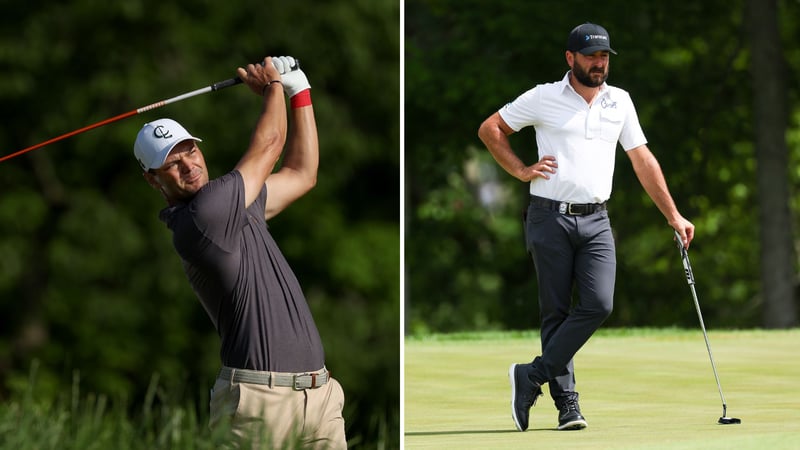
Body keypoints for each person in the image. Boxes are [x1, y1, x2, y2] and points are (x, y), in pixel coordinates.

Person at [478, 23, 695, 432]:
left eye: (605, 57)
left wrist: (674, 214)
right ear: (570, 58)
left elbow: (642, 160)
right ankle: (568, 406)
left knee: (600, 303)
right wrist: (522, 170)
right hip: (548, 215)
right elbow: (491, 129)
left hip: (597, 219)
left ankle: (532, 375)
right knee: (555, 312)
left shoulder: (620, 102)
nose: (599, 64)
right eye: (592, 56)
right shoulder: (544, 96)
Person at [133, 56, 347, 449]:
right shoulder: (202, 217)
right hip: (258, 401)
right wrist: (272, 87)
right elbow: (271, 144)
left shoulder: (238, 203)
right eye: (172, 163)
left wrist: (299, 90)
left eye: (190, 151)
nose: (189, 165)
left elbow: (303, 173)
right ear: (153, 180)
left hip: (318, 395)